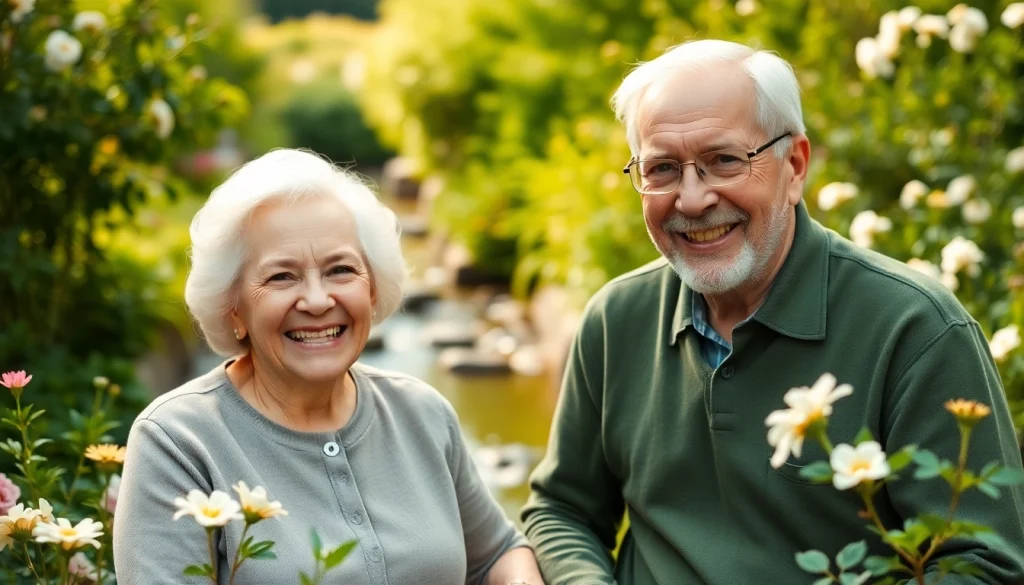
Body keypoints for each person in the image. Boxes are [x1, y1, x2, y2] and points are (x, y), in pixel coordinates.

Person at [521, 39, 1024, 584]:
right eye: (662, 169)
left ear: (795, 166)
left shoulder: (915, 331)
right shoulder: (615, 320)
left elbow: (984, 567)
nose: (691, 199)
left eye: (724, 161)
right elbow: (563, 510)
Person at [114, 149, 545, 585]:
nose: (318, 301)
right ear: (233, 309)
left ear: (373, 289)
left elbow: (498, 554)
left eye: (341, 270)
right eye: (282, 277)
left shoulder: (423, 413)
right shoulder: (177, 442)